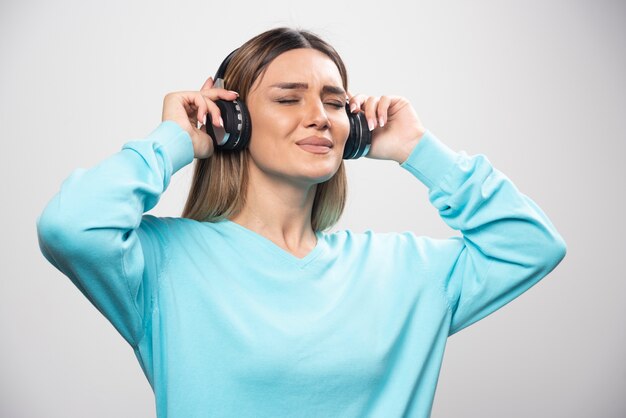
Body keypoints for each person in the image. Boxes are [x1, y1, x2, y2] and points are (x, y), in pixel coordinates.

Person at [36, 27, 567, 418]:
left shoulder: (405, 270)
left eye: (335, 103)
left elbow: (531, 245)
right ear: (233, 121)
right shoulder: (164, 263)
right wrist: (174, 140)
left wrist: (418, 150)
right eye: (289, 98)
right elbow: (70, 226)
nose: (320, 116)